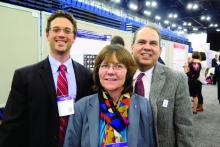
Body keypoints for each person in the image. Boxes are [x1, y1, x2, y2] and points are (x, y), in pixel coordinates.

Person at [0, 10, 94, 147]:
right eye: (56, 30)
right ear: (47, 35)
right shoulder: (25, 77)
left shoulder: (87, 76)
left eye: (67, 31)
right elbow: (11, 125)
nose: (61, 34)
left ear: (74, 37)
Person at [64, 45, 155, 147]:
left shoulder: (143, 106)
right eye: (105, 66)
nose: (110, 72)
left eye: (118, 66)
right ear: (98, 71)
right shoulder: (81, 107)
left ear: (128, 72)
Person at [131, 24, 194, 147]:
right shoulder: (119, 76)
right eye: (141, 42)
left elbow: (184, 127)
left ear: (160, 50)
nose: (147, 47)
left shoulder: (177, 79)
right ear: (132, 47)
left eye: (153, 43)